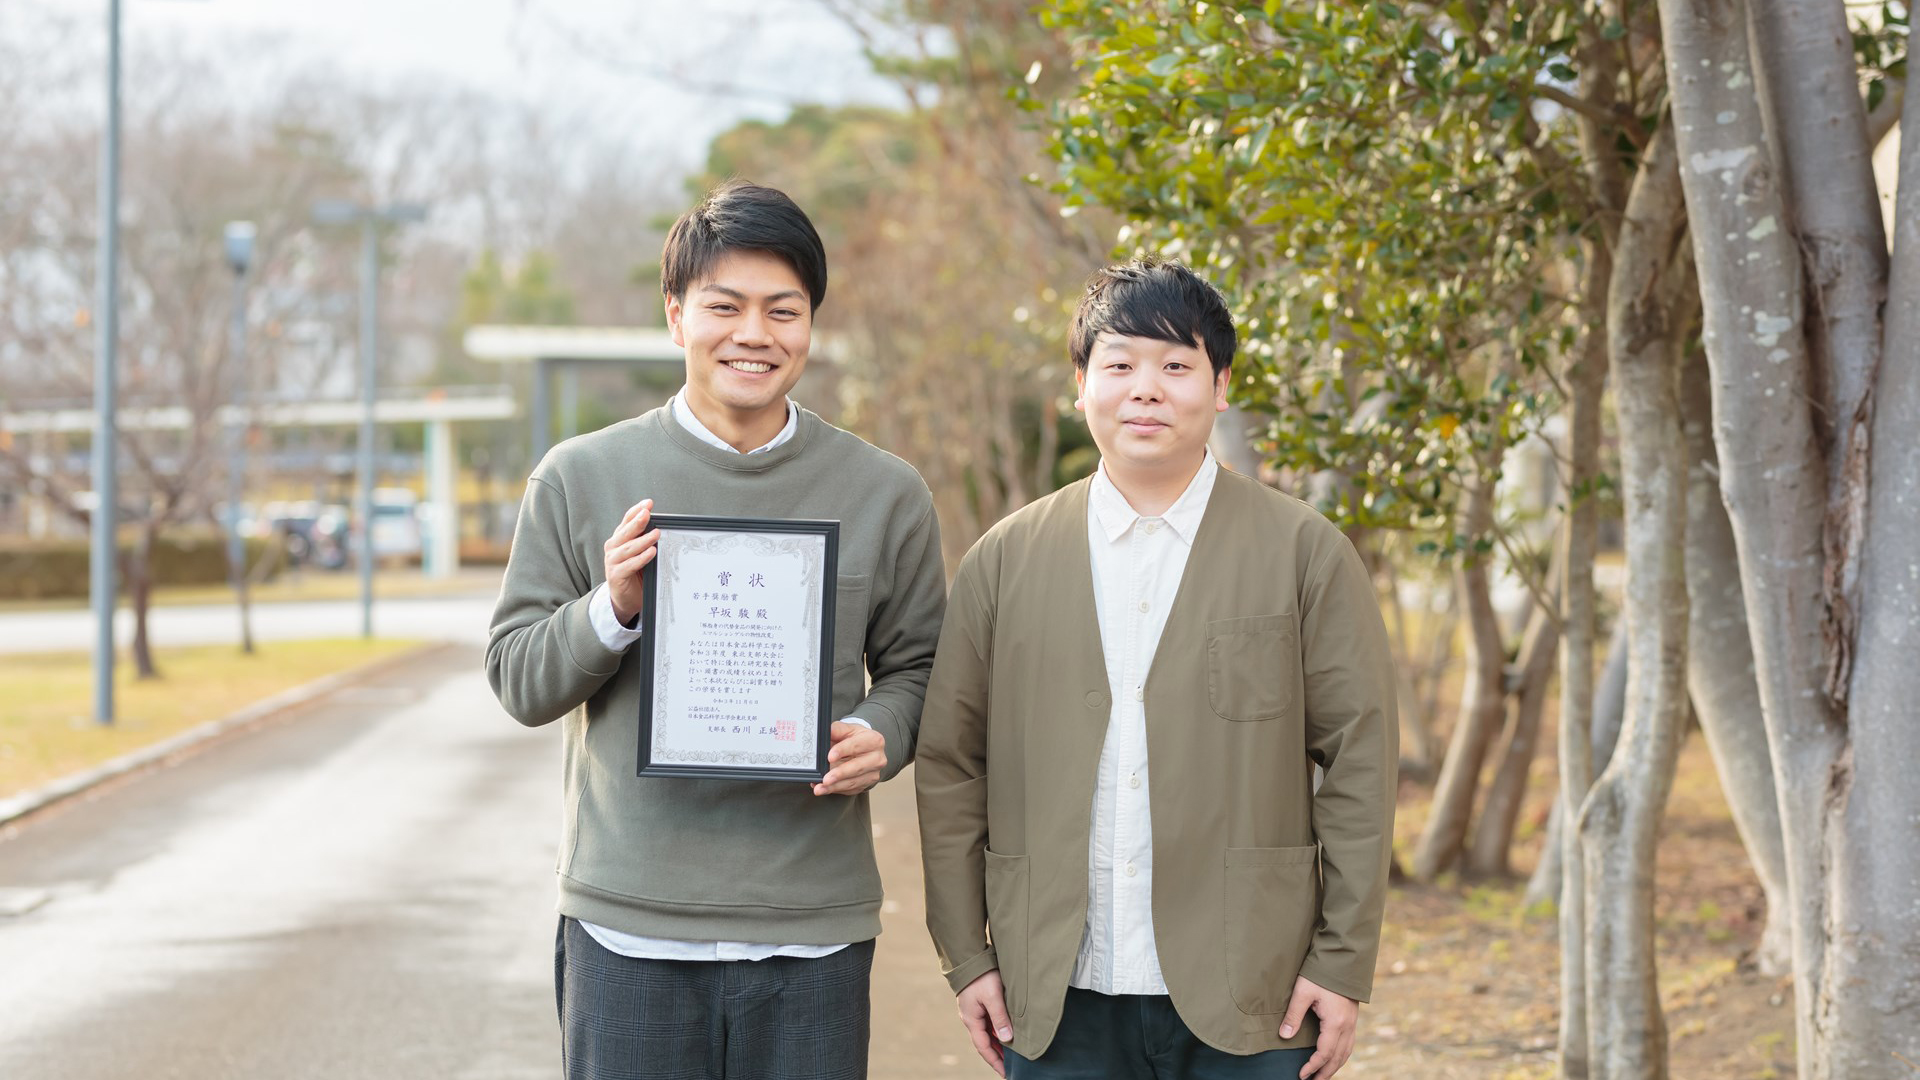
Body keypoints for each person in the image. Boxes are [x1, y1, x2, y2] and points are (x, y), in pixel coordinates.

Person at [486, 180, 946, 1080]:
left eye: (784, 309)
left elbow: (922, 668)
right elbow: (517, 678)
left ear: (811, 324)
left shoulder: (884, 491)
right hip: (629, 919)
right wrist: (612, 606)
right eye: (724, 306)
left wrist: (882, 734)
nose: (753, 334)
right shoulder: (581, 476)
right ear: (675, 317)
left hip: (810, 926)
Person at [916, 258, 1397, 1080]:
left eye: (1176, 366)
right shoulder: (1005, 560)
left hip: (1256, 989)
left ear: (1220, 384)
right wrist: (969, 957)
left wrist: (1341, 962)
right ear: (1080, 383)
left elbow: (1360, 761)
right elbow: (952, 764)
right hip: (1055, 988)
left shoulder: (1302, 551)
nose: (1146, 389)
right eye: (1120, 364)